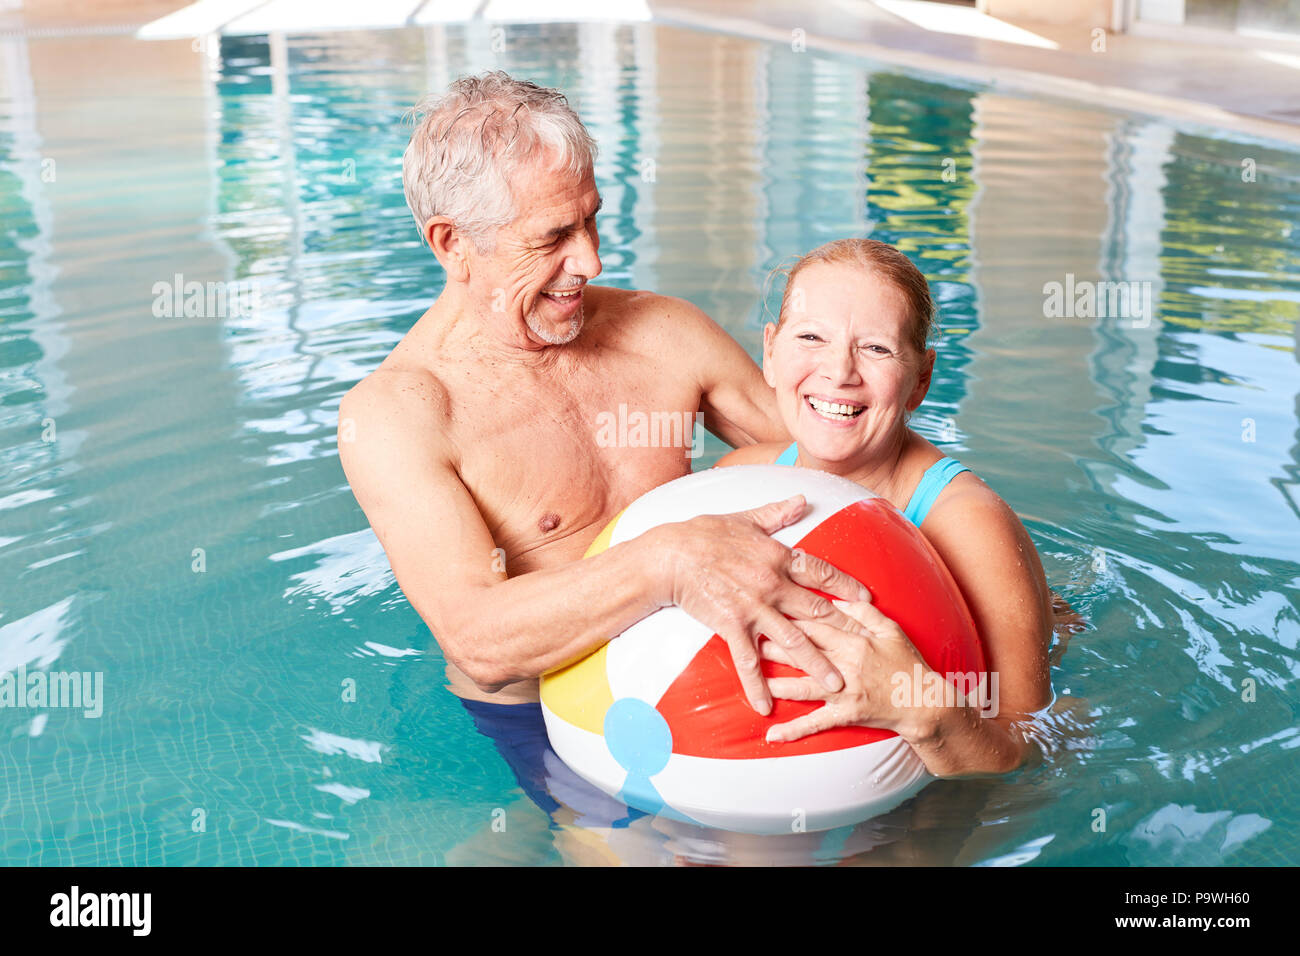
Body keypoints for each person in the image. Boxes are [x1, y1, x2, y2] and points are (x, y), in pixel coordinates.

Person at [339, 70, 871, 754]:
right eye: (554, 235)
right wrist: (667, 563)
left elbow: (844, 459)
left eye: (592, 218)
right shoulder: (400, 414)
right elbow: (478, 638)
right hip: (552, 724)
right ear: (453, 243)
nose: (590, 258)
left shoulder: (664, 333)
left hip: (721, 680)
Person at [717, 238, 1066, 776]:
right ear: (770, 352)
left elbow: (1037, 751)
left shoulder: (970, 527)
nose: (839, 372)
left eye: (876, 349)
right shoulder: (737, 480)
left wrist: (920, 710)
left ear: (920, 379)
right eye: (811, 337)